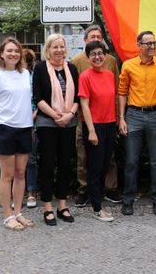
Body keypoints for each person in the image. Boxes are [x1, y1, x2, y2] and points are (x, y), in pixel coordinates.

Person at [118, 30, 156, 216]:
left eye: (154, 43)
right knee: (132, 161)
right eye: (148, 43)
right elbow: (122, 92)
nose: (152, 47)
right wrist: (121, 118)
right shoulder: (128, 65)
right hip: (134, 115)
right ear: (139, 45)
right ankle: (128, 201)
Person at [0, 37, 34, 230]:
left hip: (25, 128)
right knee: (7, 175)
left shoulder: (25, 73)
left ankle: (18, 212)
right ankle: (7, 216)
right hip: (5, 128)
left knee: (21, 173)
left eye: (16, 50)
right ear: (2, 54)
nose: (13, 54)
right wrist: (8, 115)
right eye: (9, 51)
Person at [71, 24, 121, 207]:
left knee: (109, 158)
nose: (96, 39)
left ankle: (109, 188)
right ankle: (85, 191)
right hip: (86, 119)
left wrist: (118, 117)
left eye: (99, 37)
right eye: (92, 37)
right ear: (85, 41)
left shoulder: (111, 62)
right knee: (84, 156)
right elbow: (76, 92)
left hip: (108, 119)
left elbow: (115, 91)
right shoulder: (77, 61)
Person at [33, 34, 79, 226]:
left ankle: (62, 204)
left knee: (65, 164)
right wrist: (55, 116)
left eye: (62, 46)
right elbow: (38, 98)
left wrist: (69, 115)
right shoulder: (40, 68)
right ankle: (47, 207)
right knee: (48, 164)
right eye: (55, 47)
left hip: (69, 122)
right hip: (47, 123)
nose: (59, 50)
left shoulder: (72, 68)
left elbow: (78, 96)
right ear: (48, 49)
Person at [79, 41, 117, 222]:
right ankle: (96, 208)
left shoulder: (109, 75)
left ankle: (99, 202)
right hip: (94, 126)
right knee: (94, 168)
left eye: (100, 53)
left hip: (110, 124)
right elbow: (84, 105)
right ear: (88, 57)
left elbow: (113, 100)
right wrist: (91, 131)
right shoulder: (85, 76)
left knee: (104, 166)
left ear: (105, 55)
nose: (97, 57)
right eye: (93, 54)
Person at [22, 48, 38, 209]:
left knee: (31, 159)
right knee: (14, 162)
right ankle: (16, 193)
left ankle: (31, 193)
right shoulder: (10, 76)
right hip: (15, 123)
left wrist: (34, 115)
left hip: (32, 122)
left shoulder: (34, 77)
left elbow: (38, 98)